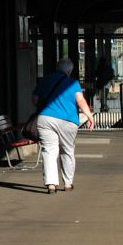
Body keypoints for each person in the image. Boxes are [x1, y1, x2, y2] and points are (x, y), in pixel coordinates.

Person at [32, 58, 95, 194]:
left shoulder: (45, 80)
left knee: (49, 151)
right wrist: (89, 116)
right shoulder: (73, 83)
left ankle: (51, 184)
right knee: (67, 150)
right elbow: (80, 101)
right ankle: (68, 183)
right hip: (68, 120)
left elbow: (35, 99)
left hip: (46, 119)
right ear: (69, 71)